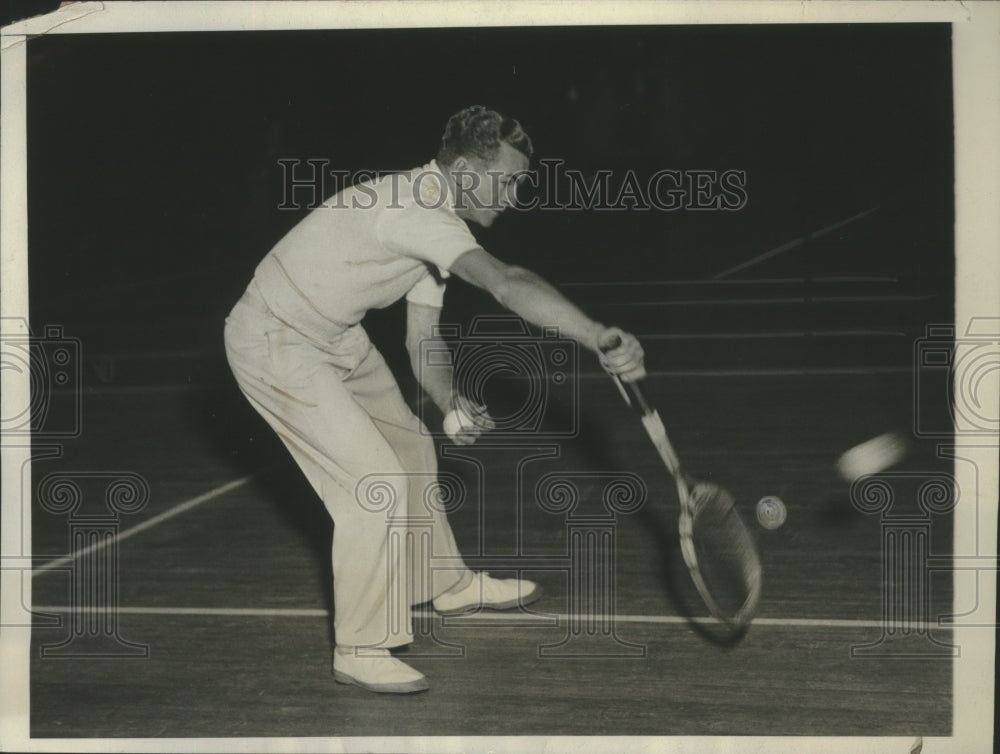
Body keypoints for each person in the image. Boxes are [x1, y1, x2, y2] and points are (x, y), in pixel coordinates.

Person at [223, 105, 645, 694]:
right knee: (373, 483)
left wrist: (447, 401)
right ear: (468, 169)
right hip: (275, 337)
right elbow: (507, 282)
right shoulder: (415, 212)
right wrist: (596, 335)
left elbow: (423, 338)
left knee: (414, 447)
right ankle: (359, 646)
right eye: (508, 181)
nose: (515, 196)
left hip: (336, 336)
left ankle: (446, 584)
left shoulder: (439, 219)